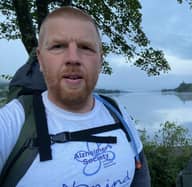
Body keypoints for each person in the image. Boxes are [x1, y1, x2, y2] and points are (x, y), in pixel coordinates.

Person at [0, 6, 150, 187]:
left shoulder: (116, 111)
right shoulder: (13, 122)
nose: (73, 58)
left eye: (86, 47)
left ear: (100, 60)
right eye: (58, 46)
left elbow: (140, 176)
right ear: (40, 59)